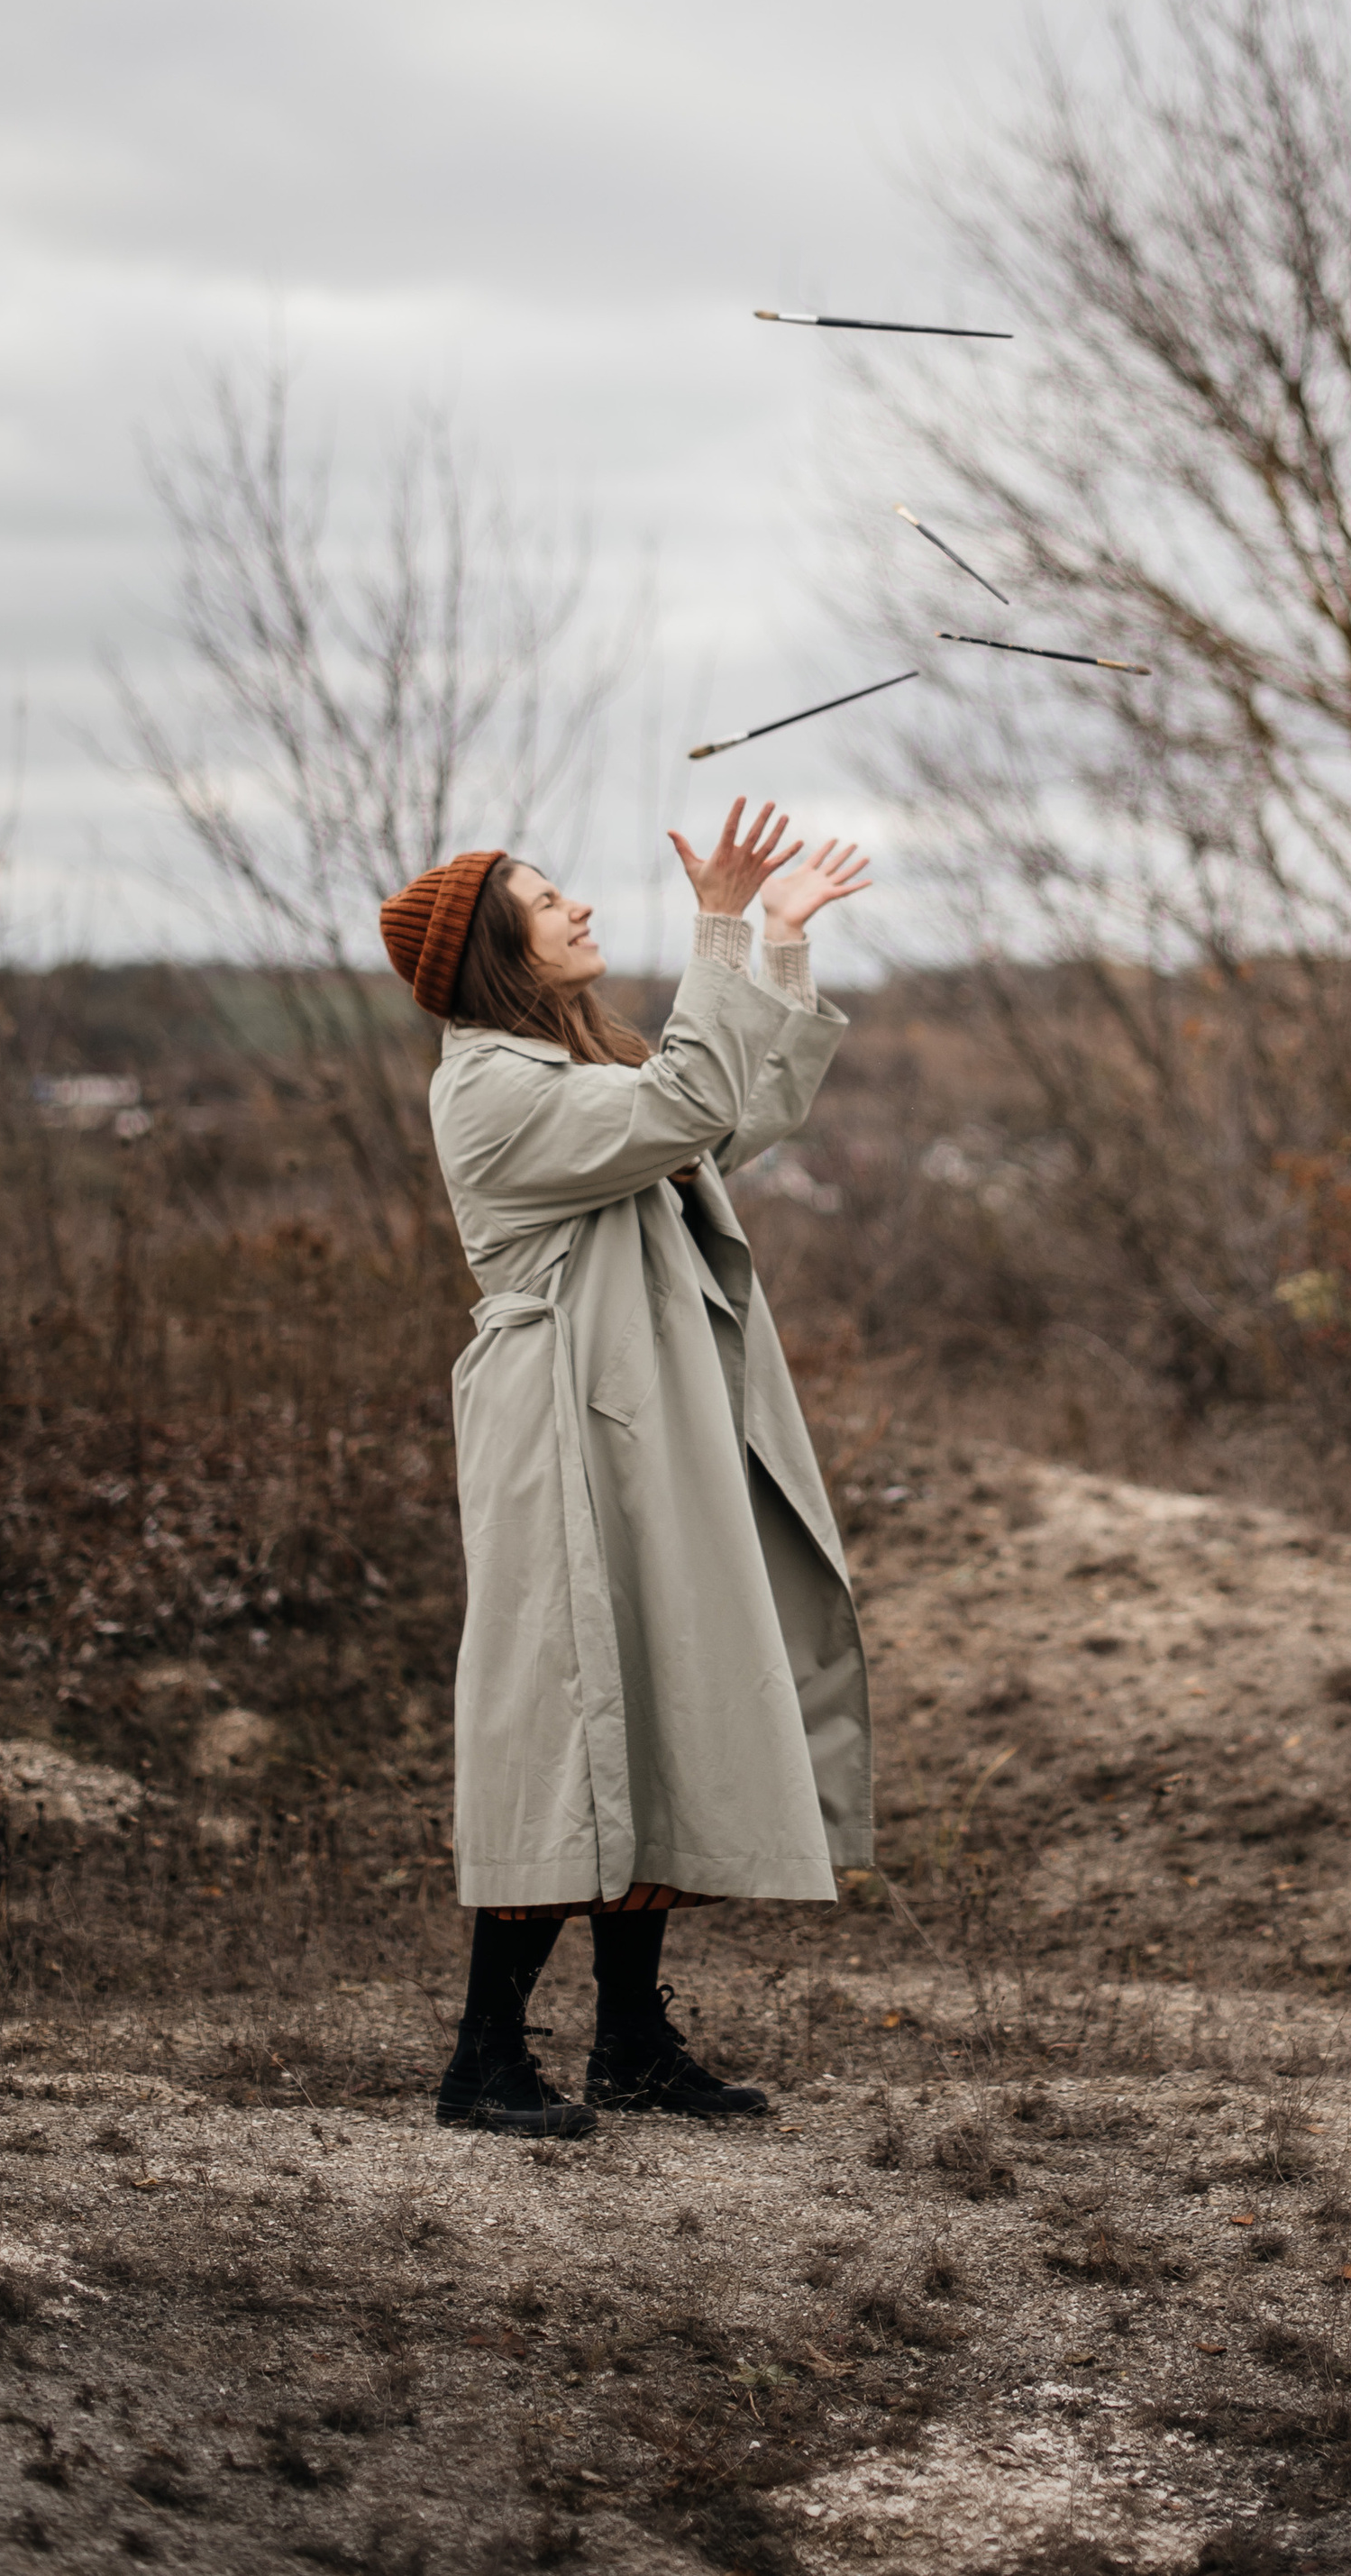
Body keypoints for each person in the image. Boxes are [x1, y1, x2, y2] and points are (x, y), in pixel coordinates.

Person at [377, 799, 873, 2135]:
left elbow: (728, 1119)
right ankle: (483, 2059)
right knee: (567, 1716)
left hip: (638, 1416)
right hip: (560, 1425)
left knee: (656, 1698)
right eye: (547, 900)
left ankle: (633, 2044)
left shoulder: (569, 1071)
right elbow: (689, 1100)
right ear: (495, 950)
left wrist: (772, 941)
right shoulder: (489, 1084)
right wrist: (716, 921)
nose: (580, 907)